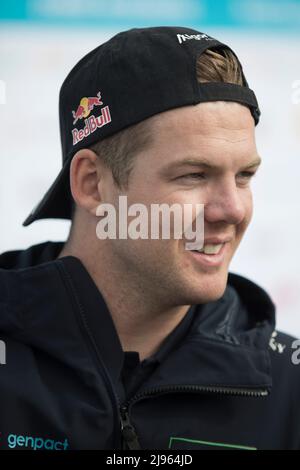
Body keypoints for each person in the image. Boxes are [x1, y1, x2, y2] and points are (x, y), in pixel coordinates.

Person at [0, 26, 299, 451]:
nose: (233, 209)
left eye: (244, 176)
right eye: (194, 175)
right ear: (92, 184)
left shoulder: (287, 387)